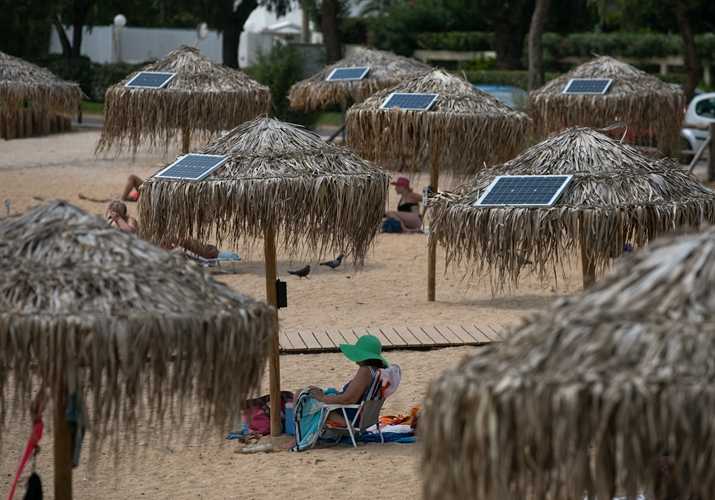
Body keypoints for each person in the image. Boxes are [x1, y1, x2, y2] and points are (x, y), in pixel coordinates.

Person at [284, 335, 389, 451]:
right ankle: (307, 436)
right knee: (308, 392)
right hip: (364, 418)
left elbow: (347, 399)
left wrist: (323, 397)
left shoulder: (365, 371)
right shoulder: (378, 372)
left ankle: (297, 438)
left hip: (349, 418)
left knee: (302, 395)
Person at [79, 174, 144, 203]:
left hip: (148, 193)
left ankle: (121, 200)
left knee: (132, 177)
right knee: (117, 196)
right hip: (141, 193)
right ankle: (91, 199)